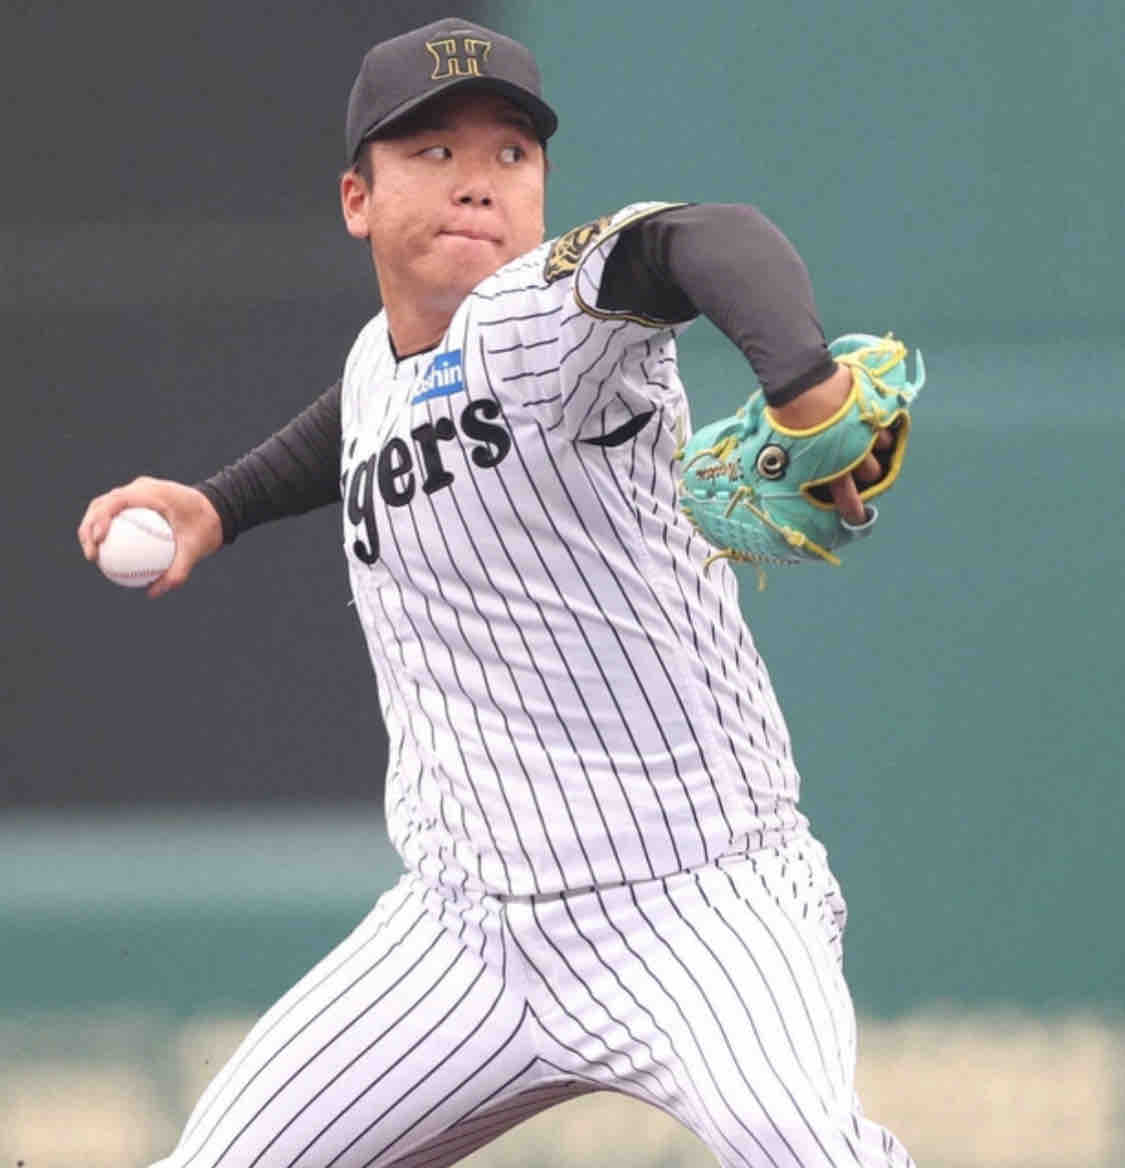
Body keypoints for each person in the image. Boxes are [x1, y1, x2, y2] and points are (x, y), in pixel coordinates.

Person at [78, 17, 915, 1168]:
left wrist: (802, 379)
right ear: (357, 198)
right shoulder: (378, 360)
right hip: (462, 929)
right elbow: (366, 419)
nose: (478, 180)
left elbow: (709, 238)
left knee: (800, 1146)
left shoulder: (551, 316)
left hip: (696, 900)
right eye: (433, 151)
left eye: (510, 153)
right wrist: (219, 506)